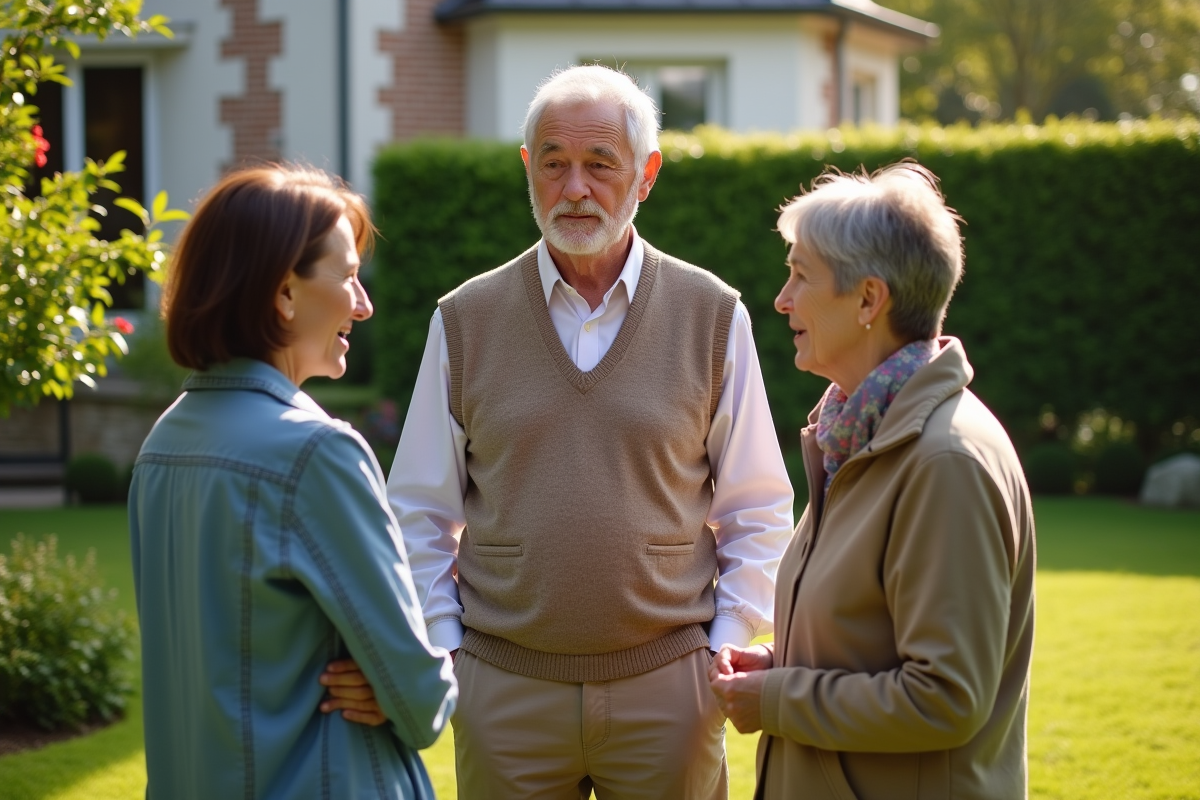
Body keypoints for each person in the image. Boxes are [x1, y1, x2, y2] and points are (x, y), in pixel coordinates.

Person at [387, 65, 794, 798]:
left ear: (646, 175)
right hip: (504, 693)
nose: (575, 188)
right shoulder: (464, 320)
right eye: (554, 163)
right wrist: (448, 653)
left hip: (671, 690)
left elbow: (758, 505)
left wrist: (723, 650)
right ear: (528, 170)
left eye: (600, 165)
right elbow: (418, 510)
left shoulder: (712, 314)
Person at [708, 162, 1036, 799]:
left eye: (800, 276)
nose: (781, 300)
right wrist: (781, 664)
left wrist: (777, 699)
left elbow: (945, 697)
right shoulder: (856, 436)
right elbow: (873, 640)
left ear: (868, 300)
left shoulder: (945, 463)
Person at [129, 166, 456, 800]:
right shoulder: (317, 453)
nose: (364, 305)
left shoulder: (161, 445)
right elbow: (421, 700)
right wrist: (415, 677)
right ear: (284, 293)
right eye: (350, 277)